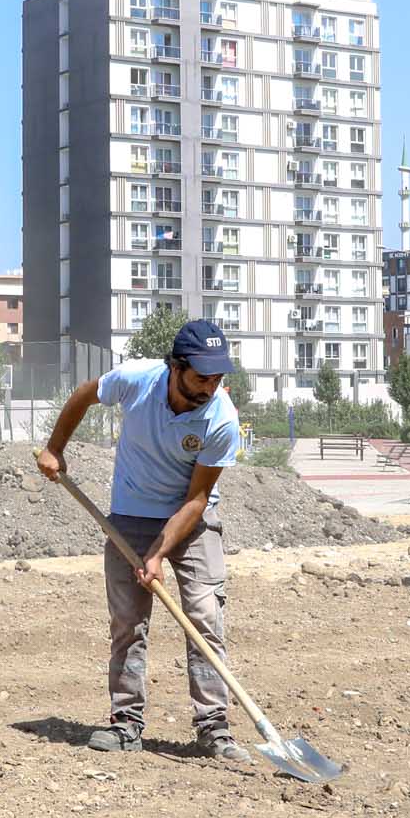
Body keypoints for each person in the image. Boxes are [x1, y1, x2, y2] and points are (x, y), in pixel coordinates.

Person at [35, 319, 246, 760]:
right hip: (130, 516)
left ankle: (214, 728)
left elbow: (197, 499)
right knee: (128, 623)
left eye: (218, 377)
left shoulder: (222, 420)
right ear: (176, 366)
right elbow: (83, 396)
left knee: (205, 615)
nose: (210, 386)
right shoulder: (135, 380)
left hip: (192, 520)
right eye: (201, 376)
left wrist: (157, 554)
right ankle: (126, 722)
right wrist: (56, 448)